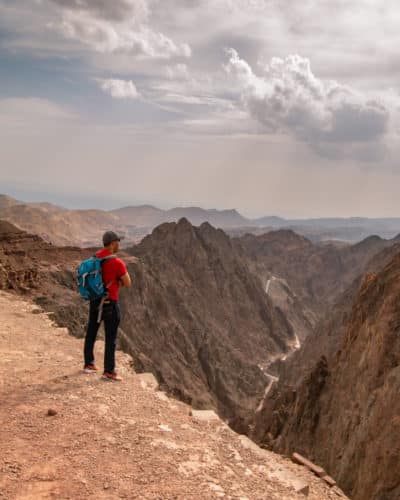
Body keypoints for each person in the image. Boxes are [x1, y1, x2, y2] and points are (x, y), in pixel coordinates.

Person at [83, 231, 131, 381]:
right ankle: (109, 371)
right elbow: (128, 283)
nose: (119, 244)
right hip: (110, 303)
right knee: (111, 338)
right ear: (112, 243)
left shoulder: (95, 258)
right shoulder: (117, 263)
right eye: (118, 242)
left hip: (95, 302)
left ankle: (88, 364)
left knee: (91, 332)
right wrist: (117, 282)